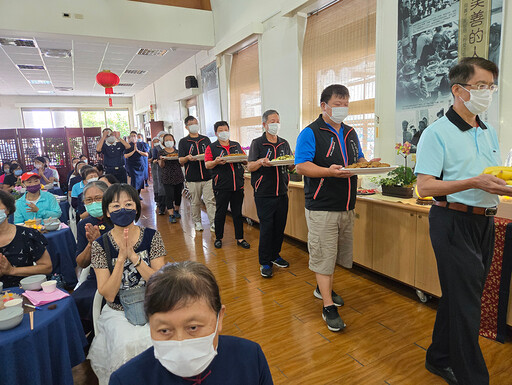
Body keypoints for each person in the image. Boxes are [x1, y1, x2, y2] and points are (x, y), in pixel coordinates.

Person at [415, 57, 509, 385]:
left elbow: (490, 177)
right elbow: (424, 186)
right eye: (480, 86)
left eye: (491, 86)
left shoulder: (488, 131)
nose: (487, 92)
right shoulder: (436, 133)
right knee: (469, 305)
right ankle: (474, 378)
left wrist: (503, 187)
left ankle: (439, 358)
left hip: (484, 223)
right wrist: (472, 182)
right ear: (458, 89)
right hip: (452, 222)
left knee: (461, 296)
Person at [109, 261, 273, 385]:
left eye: (193, 327)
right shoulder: (126, 380)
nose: (180, 341)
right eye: (165, 330)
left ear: (219, 317)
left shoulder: (250, 358)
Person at [295, 84, 375, 332]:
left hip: (347, 204)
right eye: (337, 104)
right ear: (324, 106)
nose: (342, 109)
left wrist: (366, 164)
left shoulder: (351, 132)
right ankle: (328, 306)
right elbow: (301, 166)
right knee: (324, 255)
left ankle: (322, 288)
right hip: (322, 206)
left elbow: (358, 158)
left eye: (345, 104)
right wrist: (327, 173)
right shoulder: (311, 132)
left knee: (336, 253)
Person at [88, 183, 166, 385]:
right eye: (115, 206)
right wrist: (121, 259)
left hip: (153, 303)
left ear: (136, 208)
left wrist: (135, 257)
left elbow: (160, 282)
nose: (122, 209)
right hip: (118, 310)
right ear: (106, 211)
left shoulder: (152, 237)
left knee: (166, 338)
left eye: (128, 204)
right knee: (127, 344)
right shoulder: (100, 245)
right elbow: (108, 294)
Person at [247, 110, 293, 278]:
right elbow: (250, 166)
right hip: (264, 193)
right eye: (272, 121)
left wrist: (295, 163)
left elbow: (290, 165)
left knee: (280, 226)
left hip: (282, 191)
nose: (276, 124)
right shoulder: (257, 143)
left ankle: (275, 255)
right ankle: (265, 261)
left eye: (278, 121)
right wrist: (260, 162)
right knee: (267, 228)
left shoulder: (284, 144)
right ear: (265, 124)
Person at [72, 180, 112, 338]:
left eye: (98, 198)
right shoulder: (85, 224)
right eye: (89, 200)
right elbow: (81, 263)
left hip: (119, 273)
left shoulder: (118, 219)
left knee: (102, 299)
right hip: (95, 276)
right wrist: (91, 244)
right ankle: (85, 339)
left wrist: (100, 241)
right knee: (73, 302)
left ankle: (98, 334)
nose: (94, 203)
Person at [205, 121, 250, 250]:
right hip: (221, 185)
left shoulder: (236, 145)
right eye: (221, 130)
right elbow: (207, 164)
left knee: (237, 213)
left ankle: (240, 238)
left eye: (226, 129)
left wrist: (244, 159)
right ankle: (218, 238)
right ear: (216, 133)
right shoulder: (212, 147)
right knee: (221, 212)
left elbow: (244, 158)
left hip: (238, 184)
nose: (224, 132)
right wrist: (216, 161)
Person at [0, 190, 52, 288]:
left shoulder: (27, 235)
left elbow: (47, 267)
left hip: (27, 289)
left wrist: (12, 271)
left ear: (7, 209)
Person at [178, 116, 216, 232]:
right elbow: (180, 160)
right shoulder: (184, 142)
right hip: (193, 177)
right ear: (186, 127)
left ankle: (213, 222)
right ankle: (197, 222)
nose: (194, 125)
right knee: (196, 201)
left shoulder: (205, 139)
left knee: (210, 200)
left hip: (207, 175)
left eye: (196, 123)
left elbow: (210, 156)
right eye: (191, 124)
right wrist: (187, 158)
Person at [158, 134, 184, 223]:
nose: (169, 141)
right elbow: (161, 166)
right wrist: (162, 160)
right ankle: (171, 214)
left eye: (171, 139)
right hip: (167, 176)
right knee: (169, 196)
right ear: (164, 142)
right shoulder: (161, 152)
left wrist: (182, 159)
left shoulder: (178, 151)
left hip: (178, 175)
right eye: (167, 140)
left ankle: (176, 211)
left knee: (178, 195)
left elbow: (182, 164)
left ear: (173, 141)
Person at [124, 131, 148, 197]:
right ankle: (134, 195)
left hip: (140, 164)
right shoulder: (128, 146)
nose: (133, 137)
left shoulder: (141, 144)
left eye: (134, 136)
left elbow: (146, 154)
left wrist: (138, 151)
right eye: (131, 136)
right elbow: (125, 156)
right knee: (134, 180)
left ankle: (138, 194)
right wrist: (133, 151)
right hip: (132, 165)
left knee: (140, 180)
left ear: (137, 137)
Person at [149, 137, 166, 216]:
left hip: (164, 169)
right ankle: (159, 202)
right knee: (157, 185)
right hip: (156, 168)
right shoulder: (153, 150)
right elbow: (149, 159)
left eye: (157, 141)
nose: (156, 143)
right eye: (154, 141)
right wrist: (153, 159)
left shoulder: (167, 149)